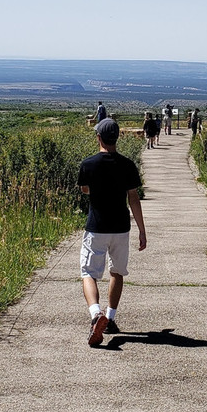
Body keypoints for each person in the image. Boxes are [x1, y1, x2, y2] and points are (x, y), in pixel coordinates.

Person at [78, 118, 148, 346]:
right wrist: (142, 230)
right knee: (117, 272)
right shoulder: (128, 165)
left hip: (96, 227)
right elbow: (134, 198)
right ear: (117, 137)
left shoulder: (88, 164)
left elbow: (85, 190)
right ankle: (110, 317)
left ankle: (96, 313)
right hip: (121, 227)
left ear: (98, 137)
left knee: (89, 273)